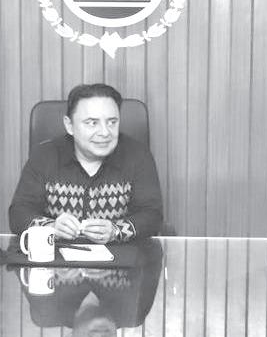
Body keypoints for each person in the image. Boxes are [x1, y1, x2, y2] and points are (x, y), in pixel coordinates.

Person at [8, 83, 163, 244]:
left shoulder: (138, 156)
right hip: (56, 254)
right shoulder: (44, 156)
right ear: (69, 126)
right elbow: (19, 213)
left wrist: (116, 230)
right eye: (92, 123)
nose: (105, 132)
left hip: (120, 254)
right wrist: (51, 227)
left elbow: (152, 215)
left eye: (112, 122)